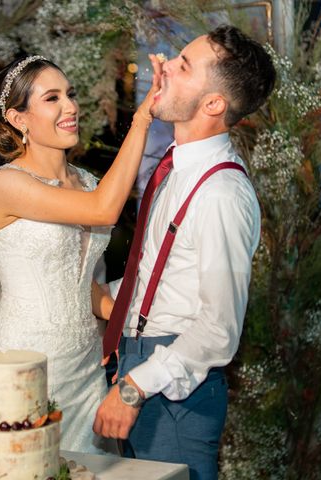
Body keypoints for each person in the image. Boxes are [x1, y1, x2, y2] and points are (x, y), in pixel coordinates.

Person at [92, 25, 276, 478]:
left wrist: (135, 387)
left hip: (174, 391)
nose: (164, 65)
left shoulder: (221, 193)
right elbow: (157, 280)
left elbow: (218, 329)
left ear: (213, 104)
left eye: (183, 65)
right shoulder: (175, 168)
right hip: (139, 364)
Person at [0, 54, 161, 453]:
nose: (71, 107)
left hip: (85, 366)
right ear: (18, 119)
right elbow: (103, 210)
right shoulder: (4, 184)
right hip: (26, 366)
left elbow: (81, 283)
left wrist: (133, 322)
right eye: (52, 98)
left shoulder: (88, 183)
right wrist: (142, 120)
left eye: (71, 94)